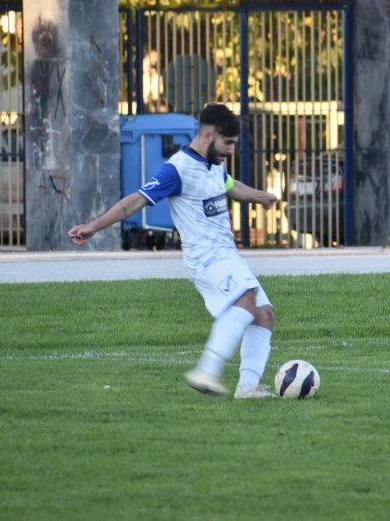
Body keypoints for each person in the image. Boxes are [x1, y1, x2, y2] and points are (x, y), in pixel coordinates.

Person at [68, 103, 279, 399]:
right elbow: (134, 202)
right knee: (245, 300)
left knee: (264, 314)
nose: (231, 150)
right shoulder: (177, 169)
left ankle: (247, 388)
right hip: (205, 258)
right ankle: (207, 369)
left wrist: (261, 197)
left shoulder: (215, 163)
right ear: (208, 134)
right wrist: (93, 226)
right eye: (227, 143)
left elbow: (228, 186)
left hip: (227, 255)